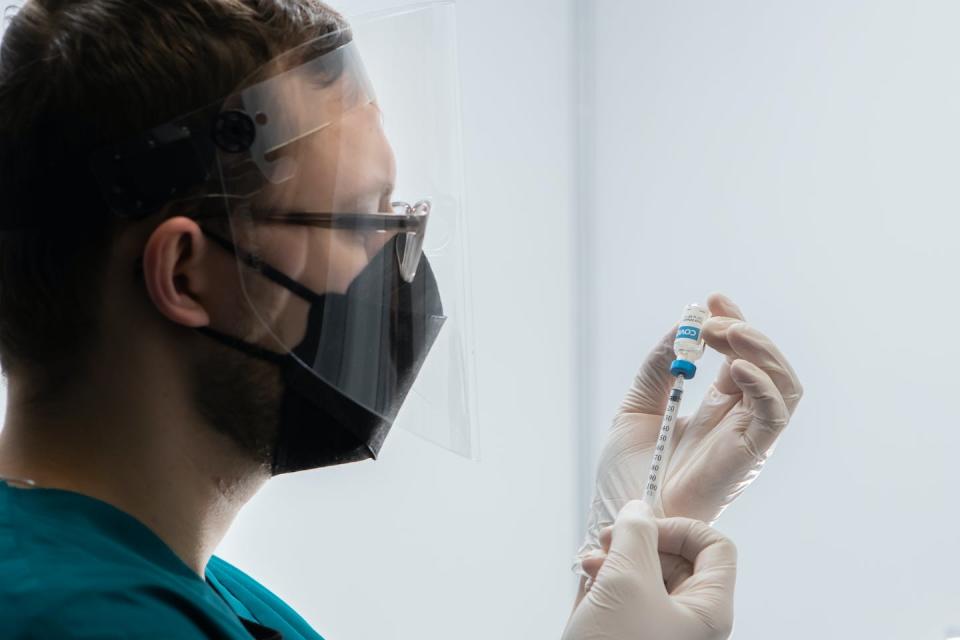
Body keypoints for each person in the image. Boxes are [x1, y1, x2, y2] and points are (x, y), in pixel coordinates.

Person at [0, 1, 802, 638]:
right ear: (185, 272)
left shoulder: (183, 586)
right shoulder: (78, 618)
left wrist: (648, 535)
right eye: (362, 219)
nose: (402, 263)